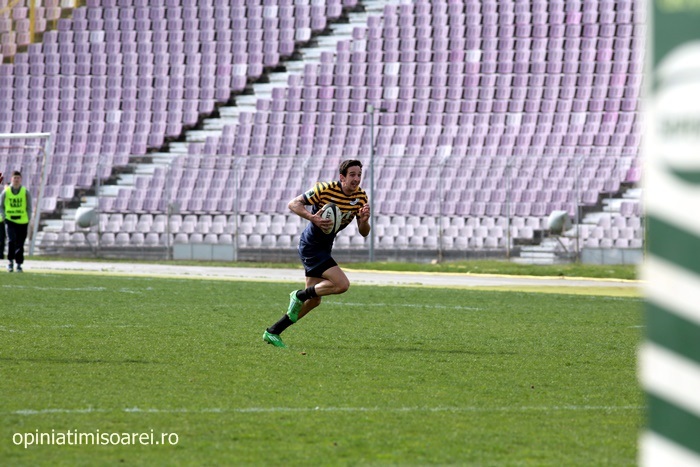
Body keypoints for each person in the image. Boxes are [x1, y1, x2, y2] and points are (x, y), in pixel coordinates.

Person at [263, 159, 371, 348]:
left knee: (314, 301)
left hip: (325, 246)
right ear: (342, 177)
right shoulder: (325, 189)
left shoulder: (361, 197)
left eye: (359, 175)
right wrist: (313, 218)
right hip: (311, 246)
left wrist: (364, 221)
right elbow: (293, 204)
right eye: (352, 175)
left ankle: (273, 332)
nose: (356, 179)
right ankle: (299, 295)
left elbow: (364, 232)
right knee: (342, 285)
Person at [0, 171, 32, 273]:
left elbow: (29, 206)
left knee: (20, 243)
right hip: (10, 220)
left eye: (18, 178)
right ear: (11, 179)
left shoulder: (25, 192)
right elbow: (1, 206)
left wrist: (28, 217)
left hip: (22, 221)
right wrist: (3, 216)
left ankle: (19, 264)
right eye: (15, 178)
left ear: (21, 179)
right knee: (11, 240)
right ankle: (10, 262)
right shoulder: (6, 192)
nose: (16, 180)